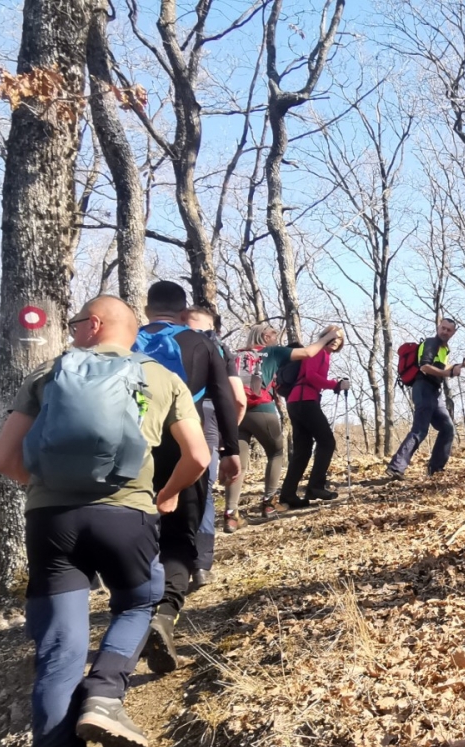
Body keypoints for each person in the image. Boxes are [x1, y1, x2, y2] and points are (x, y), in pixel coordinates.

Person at [0, 295, 210, 747]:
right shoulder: (159, 376)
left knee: (58, 656)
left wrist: (40, 492)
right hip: (126, 515)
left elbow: (3, 460)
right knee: (140, 599)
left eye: (77, 322)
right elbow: (199, 457)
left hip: (51, 523)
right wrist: (163, 495)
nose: (75, 331)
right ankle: (107, 692)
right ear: (128, 331)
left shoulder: (48, 373)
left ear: (93, 325)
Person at [136, 281, 242, 675]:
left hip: (132, 449)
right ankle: (163, 613)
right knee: (181, 532)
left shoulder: (124, 340)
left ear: (146, 310)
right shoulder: (201, 343)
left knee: (135, 527)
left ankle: (133, 613)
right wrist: (230, 451)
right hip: (187, 443)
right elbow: (225, 397)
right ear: (183, 313)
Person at [226, 322, 341, 527]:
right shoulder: (274, 352)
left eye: (339, 339)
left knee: (244, 464)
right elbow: (309, 365)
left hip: (238, 409)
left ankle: (232, 514)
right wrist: (335, 382)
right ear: (264, 336)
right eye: (272, 333)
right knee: (300, 447)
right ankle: (280, 499)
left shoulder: (236, 354)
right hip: (274, 406)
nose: (275, 335)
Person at [183, 306, 245, 589]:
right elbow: (238, 399)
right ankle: (201, 563)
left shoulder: (166, 340)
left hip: (161, 414)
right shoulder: (218, 346)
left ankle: (162, 561)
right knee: (202, 488)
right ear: (214, 326)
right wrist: (227, 439)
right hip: (206, 415)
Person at [387, 317, 465, 479]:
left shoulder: (443, 349)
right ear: (438, 327)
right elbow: (425, 366)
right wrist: (448, 373)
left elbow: (443, 367)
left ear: (453, 333)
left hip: (434, 392)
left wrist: (461, 366)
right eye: (443, 328)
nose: (445, 331)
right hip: (423, 388)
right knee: (420, 430)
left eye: (449, 330)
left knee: (447, 429)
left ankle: (435, 469)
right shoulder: (431, 343)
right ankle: (396, 467)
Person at [279, 328, 350, 505]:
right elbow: (311, 376)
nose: (336, 340)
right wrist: (335, 385)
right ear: (325, 337)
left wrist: (332, 384)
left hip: (298, 402)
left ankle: (288, 495)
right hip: (305, 401)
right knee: (327, 441)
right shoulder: (318, 352)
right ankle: (315, 487)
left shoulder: (323, 354)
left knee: (303, 449)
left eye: (339, 338)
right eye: (333, 336)